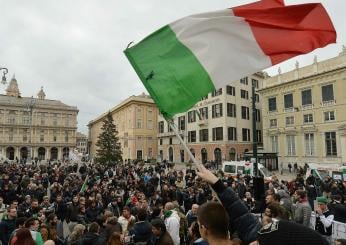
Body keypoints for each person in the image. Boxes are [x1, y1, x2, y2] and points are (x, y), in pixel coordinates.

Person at [196, 164, 329, 245]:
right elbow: (246, 221)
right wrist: (218, 185)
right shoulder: (266, 233)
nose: (254, 243)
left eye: (262, 243)